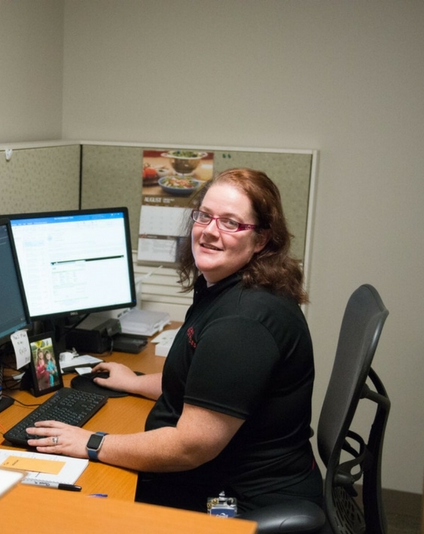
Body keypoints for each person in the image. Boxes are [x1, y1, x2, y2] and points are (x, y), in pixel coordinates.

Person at [26, 168, 322, 514]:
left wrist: (92, 443)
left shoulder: (243, 323)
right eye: (205, 216)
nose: (210, 231)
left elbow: (189, 447)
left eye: (230, 223)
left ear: (261, 240)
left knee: (65, 509)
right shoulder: (230, 288)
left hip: (234, 501)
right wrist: (134, 382)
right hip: (222, 477)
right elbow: (204, 386)